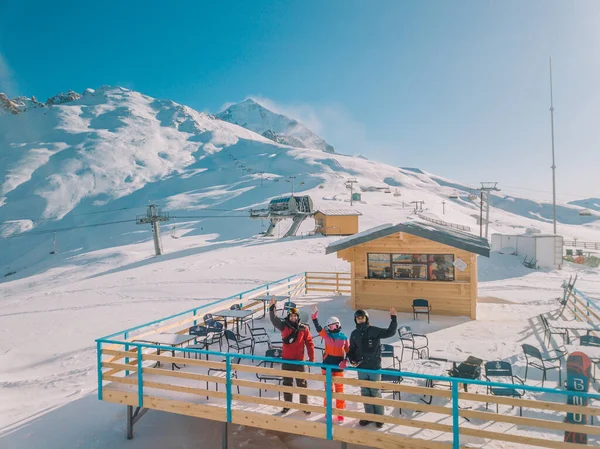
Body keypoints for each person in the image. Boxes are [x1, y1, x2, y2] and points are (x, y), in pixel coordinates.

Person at [344, 308, 397, 428]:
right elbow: (351, 350)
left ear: (366, 318)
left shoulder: (373, 330)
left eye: (362, 317)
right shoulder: (354, 334)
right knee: (365, 392)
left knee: (375, 392)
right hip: (361, 368)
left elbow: (390, 332)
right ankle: (369, 416)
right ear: (355, 320)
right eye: (358, 318)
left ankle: (379, 418)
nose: (360, 319)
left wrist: (393, 318)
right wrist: (351, 359)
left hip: (373, 367)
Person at [269, 297, 315, 414]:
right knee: (287, 384)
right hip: (287, 361)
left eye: (295, 316)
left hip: (300, 361)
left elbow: (309, 343)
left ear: (298, 317)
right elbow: (274, 320)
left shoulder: (304, 328)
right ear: (289, 317)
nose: (293, 318)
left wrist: (311, 358)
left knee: (302, 384)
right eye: (291, 316)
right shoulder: (284, 326)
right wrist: (272, 307)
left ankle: (305, 406)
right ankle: (287, 405)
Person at [310, 305, 349, 422]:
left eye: (335, 325)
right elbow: (318, 329)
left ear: (339, 325)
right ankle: (328, 411)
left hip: (338, 367)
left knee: (340, 390)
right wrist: (314, 318)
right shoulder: (326, 336)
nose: (333, 328)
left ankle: (340, 412)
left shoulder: (344, 337)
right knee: (328, 390)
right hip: (327, 367)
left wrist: (345, 361)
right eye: (331, 326)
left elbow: (349, 351)